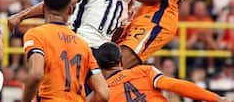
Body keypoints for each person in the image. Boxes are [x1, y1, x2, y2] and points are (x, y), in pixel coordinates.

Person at [22, 0, 109, 102]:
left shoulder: (36, 35)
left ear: (43, 8)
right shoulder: (83, 44)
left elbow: (36, 74)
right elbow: (103, 93)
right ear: (70, 10)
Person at [95, 42, 231, 102]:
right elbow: (174, 85)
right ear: (121, 61)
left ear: (99, 67)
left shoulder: (100, 94)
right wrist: (216, 98)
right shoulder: (143, 70)